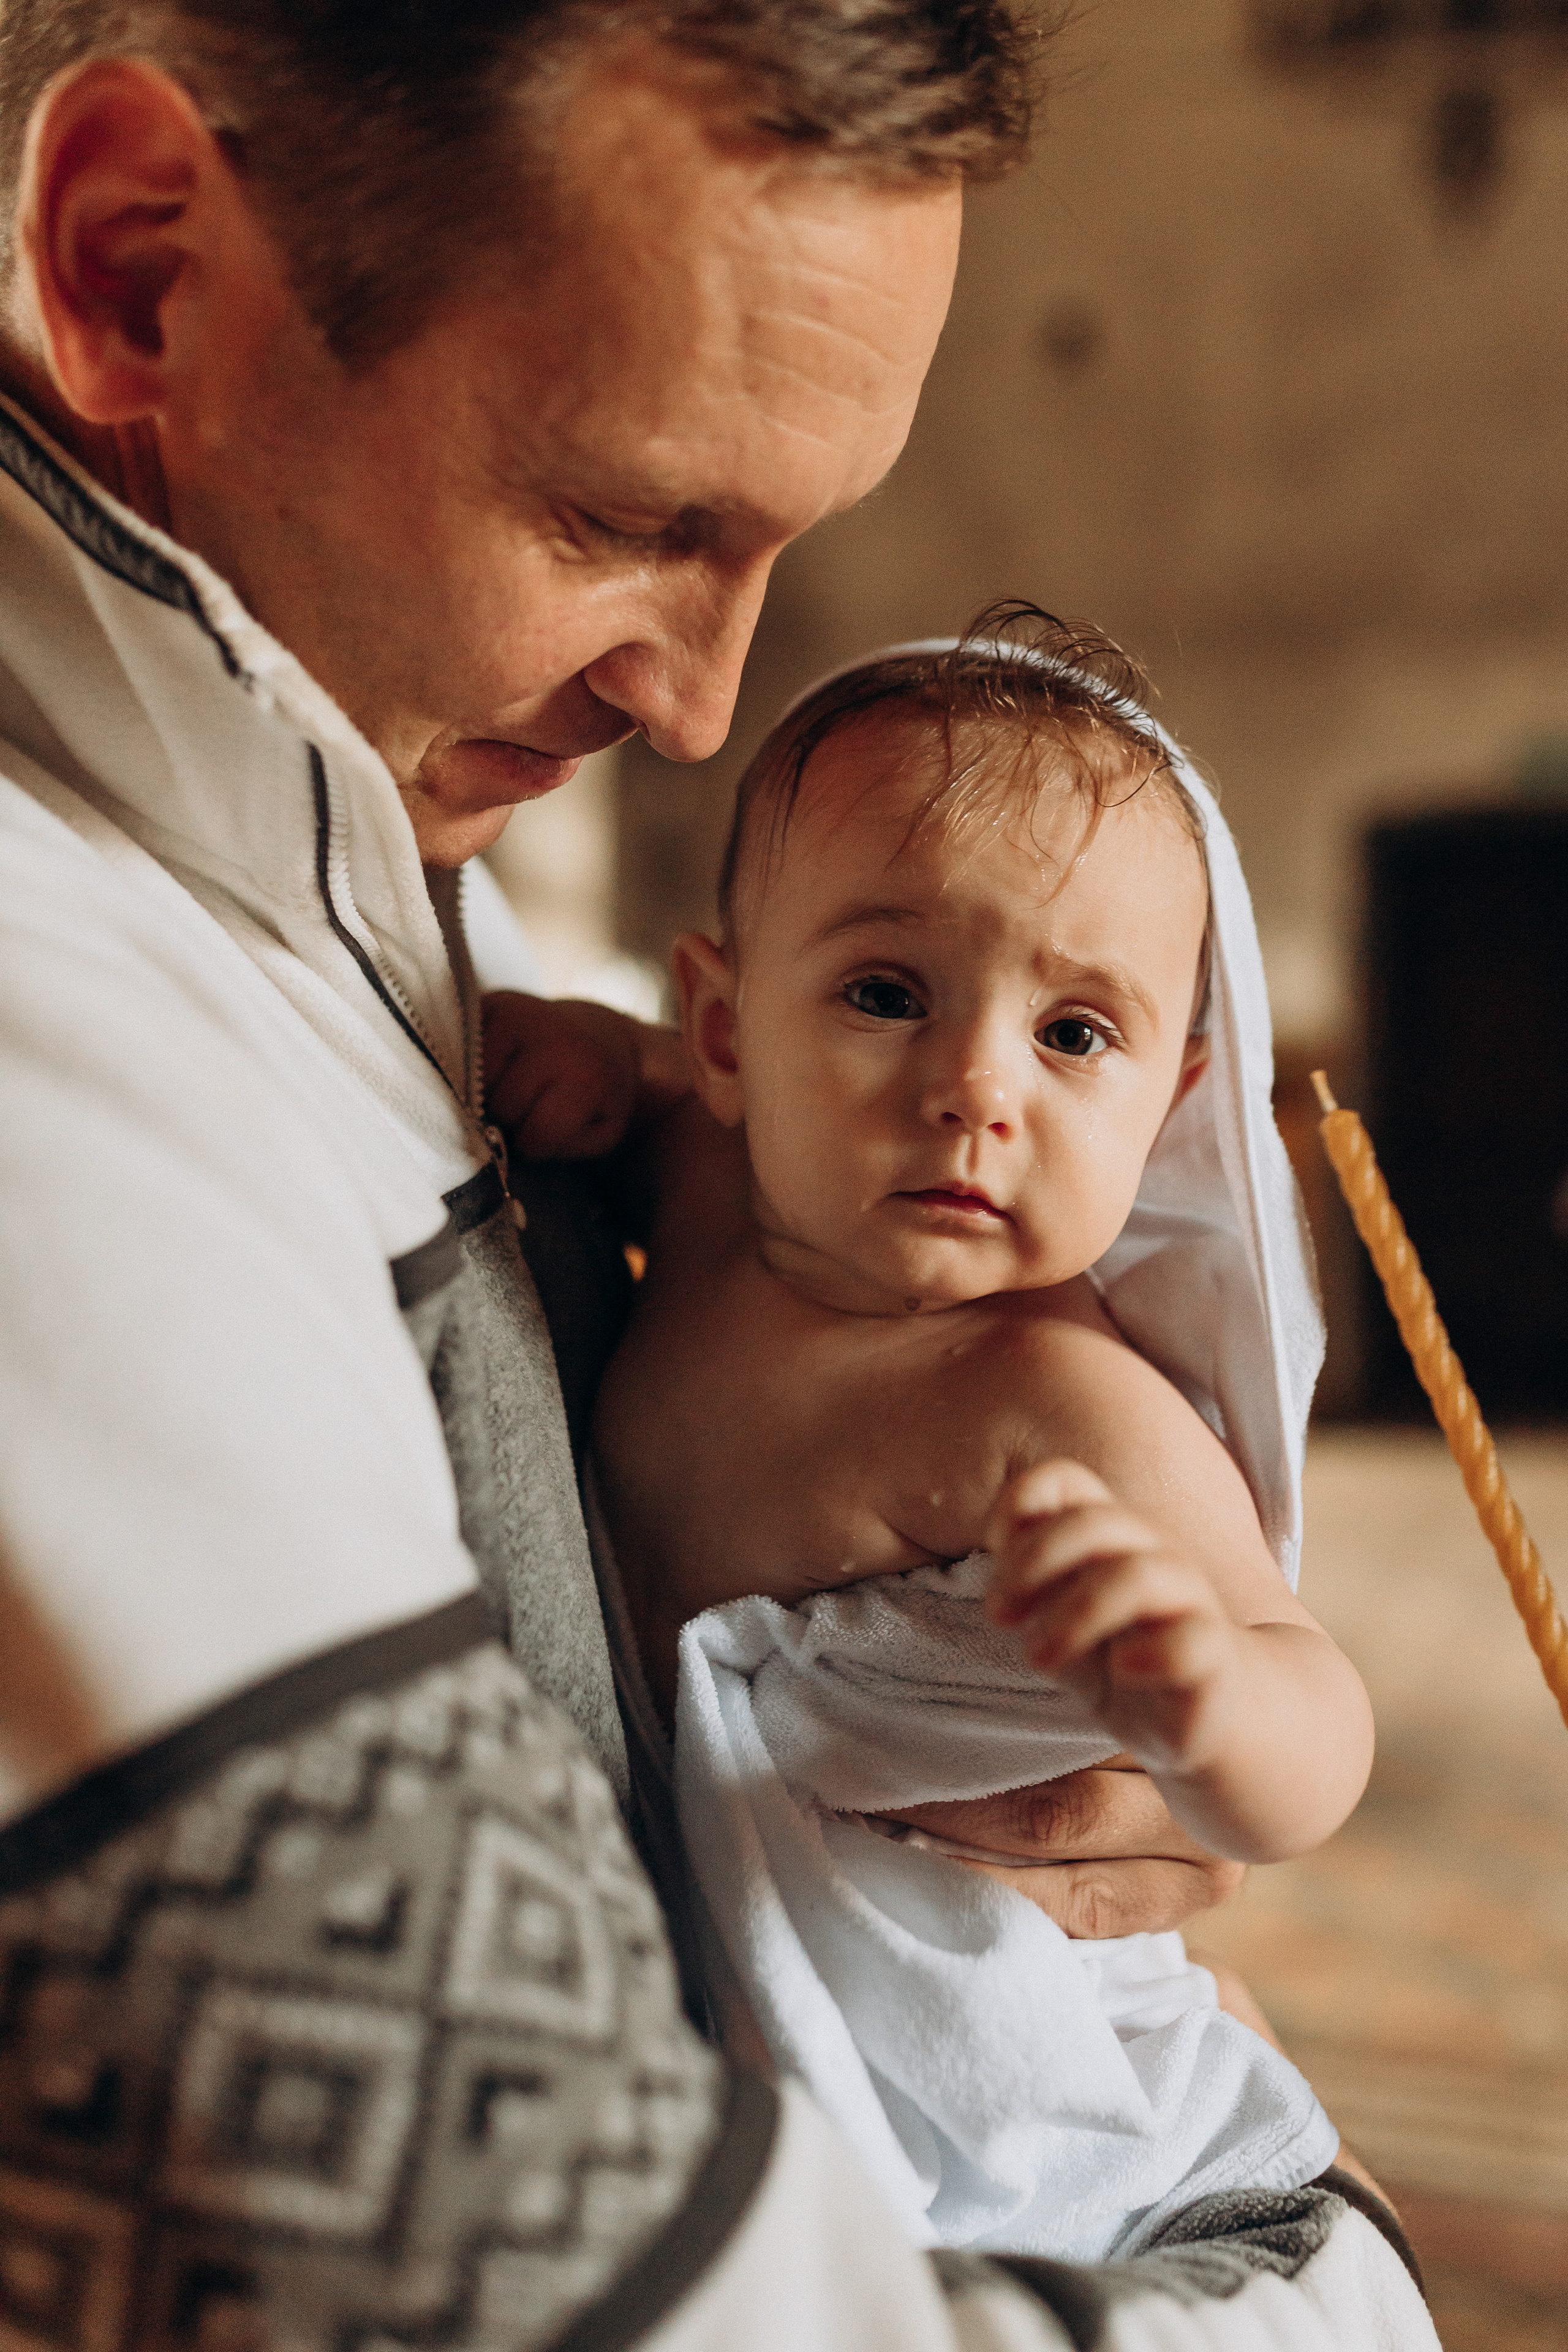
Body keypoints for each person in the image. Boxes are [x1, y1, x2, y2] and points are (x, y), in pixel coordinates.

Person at [0, 0, 1433, 2341]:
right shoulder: (58, 1061)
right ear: (139, 263)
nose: (694, 705)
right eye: (626, 515)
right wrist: (1333, 2273)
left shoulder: (337, 825)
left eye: (781, 548)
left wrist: (1196, 1721)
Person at [568, 613, 1365, 2256]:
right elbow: (642, 1086)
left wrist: (1209, 1699)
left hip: (966, 2047)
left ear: (1167, 1108)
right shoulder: (706, 1183)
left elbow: (1319, 1718)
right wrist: (561, 1047)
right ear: (727, 1032)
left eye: (1076, 1033)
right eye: (887, 994)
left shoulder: (1053, 1403)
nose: (976, 1088)